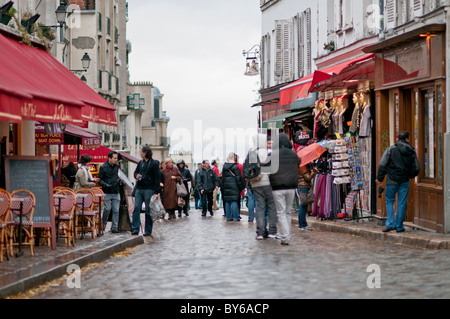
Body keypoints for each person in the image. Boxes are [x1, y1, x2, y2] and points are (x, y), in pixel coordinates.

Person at [376, 131, 420, 233]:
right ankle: (399, 226)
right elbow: (417, 167)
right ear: (407, 139)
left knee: (390, 201)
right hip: (404, 180)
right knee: (401, 202)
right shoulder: (411, 151)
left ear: (398, 138)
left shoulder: (391, 150)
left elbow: (382, 164)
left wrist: (380, 179)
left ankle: (390, 224)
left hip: (391, 180)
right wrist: (410, 175)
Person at [270, 133, 301, 245]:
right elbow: (298, 163)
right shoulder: (293, 154)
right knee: (287, 212)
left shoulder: (273, 155)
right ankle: (287, 235)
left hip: (277, 187)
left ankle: (285, 237)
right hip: (291, 186)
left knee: (281, 213)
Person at [246, 133, 278, 240]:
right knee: (271, 206)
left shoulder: (252, 153)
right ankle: (272, 231)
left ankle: (260, 232)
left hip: (255, 183)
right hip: (267, 182)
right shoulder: (267, 152)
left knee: (260, 207)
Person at [131, 146, 161, 236]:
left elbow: (157, 178)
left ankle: (148, 230)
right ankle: (135, 229)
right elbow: (135, 172)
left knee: (148, 210)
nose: (140, 154)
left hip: (149, 189)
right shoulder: (140, 163)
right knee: (136, 208)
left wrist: (156, 192)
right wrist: (136, 175)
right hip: (139, 188)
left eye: (141, 152)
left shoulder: (154, 163)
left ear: (145, 153)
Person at [98, 151, 121, 233]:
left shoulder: (117, 166)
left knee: (116, 210)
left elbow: (118, 176)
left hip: (116, 191)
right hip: (107, 191)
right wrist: (105, 184)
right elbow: (99, 179)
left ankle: (114, 227)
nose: (116, 160)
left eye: (116, 158)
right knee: (107, 209)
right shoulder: (103, 167)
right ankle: (103, 224)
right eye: (114, 158)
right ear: (109, 158)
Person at [221, 153, 244, 222]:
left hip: (226, 186)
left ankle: (228, 217)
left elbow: (223, 178)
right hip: (234, 186)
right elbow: (238, 178)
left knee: (227, 201)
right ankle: (236, 217)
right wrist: (241, 187)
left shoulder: (224, 166)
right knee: (234, 201)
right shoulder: (235, 167)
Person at [298, 164, 315, 231]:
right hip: (304, 187)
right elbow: (307, 178)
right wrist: (313, 172)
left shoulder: (303, 166)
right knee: (303, 206)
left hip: (304, 186)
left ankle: (302, 224)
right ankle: (302, 224)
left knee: (303, 206)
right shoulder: (302, 167)